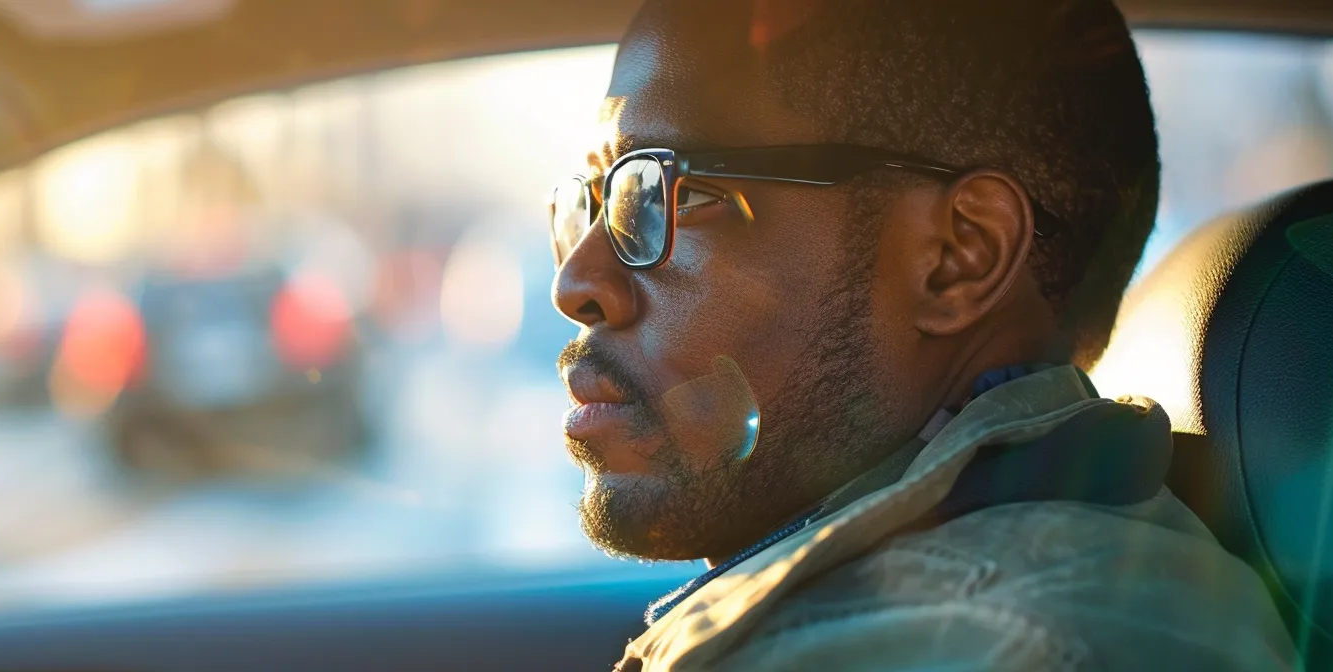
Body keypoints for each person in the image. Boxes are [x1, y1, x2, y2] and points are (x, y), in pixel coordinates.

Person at [547, 0, 1295, 669]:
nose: (576, 284)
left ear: (957, 258)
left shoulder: (999, 640)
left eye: (665, 193)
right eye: (595, 199)